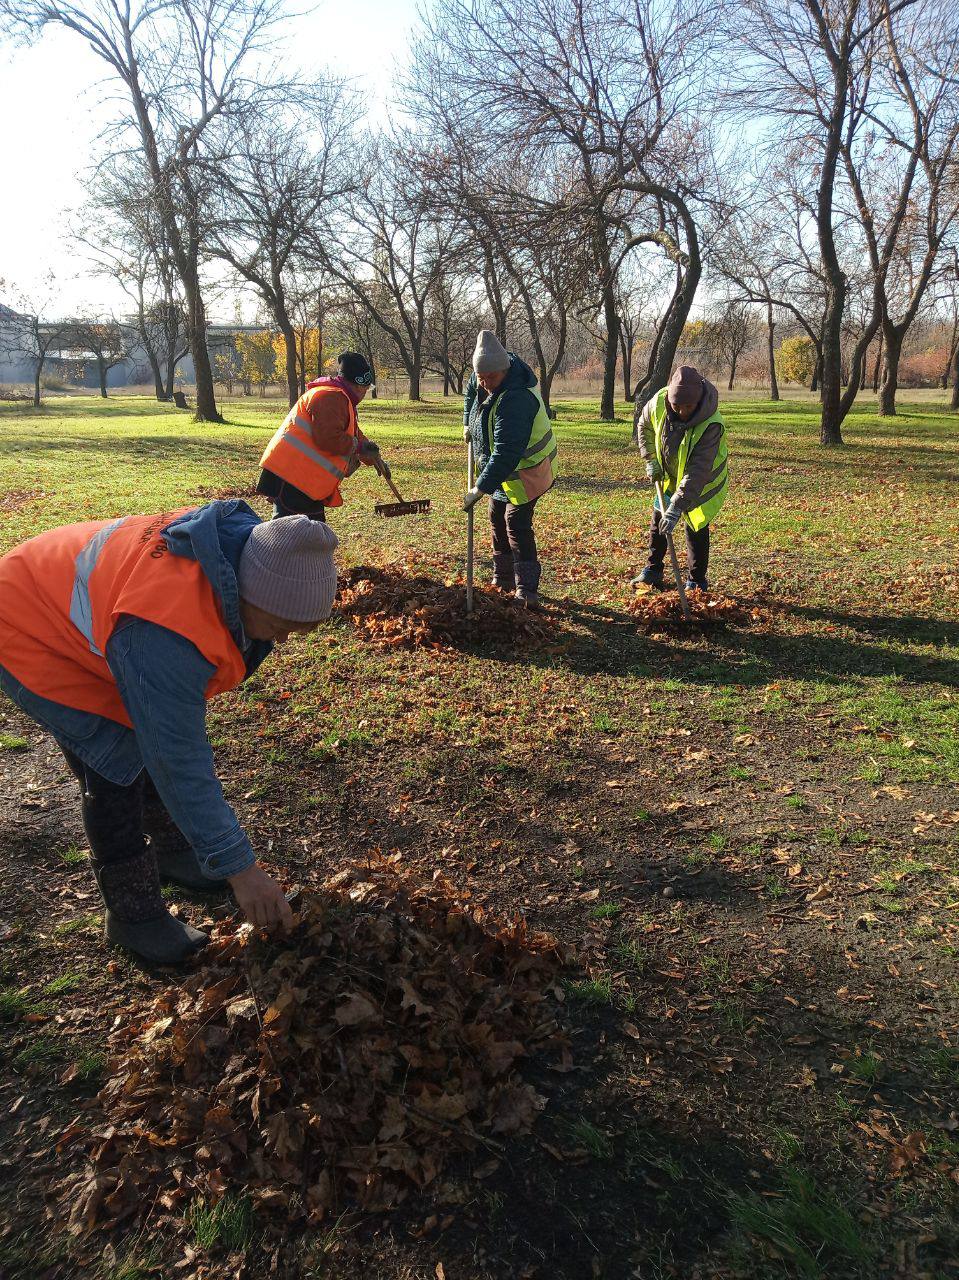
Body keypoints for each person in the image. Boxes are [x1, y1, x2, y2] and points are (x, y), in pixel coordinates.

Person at [0, 502, 340, 965]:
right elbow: (177, 759)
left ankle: (174, 853)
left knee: (146, 733)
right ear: (248, 593)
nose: (281, 641)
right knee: (114, 763)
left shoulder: (244, 553)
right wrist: (241, 869)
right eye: (280, 627)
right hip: (27, 624)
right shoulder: (165, 632)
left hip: (96, 611)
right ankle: (133, 916)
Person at [461, 331, 559, 609]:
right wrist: (467, 421)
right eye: (480, 377)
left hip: (530, 469)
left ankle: (526, 590)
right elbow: (471, 391)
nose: (484, 383)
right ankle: (503, 577)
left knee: (516, 522)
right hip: (502, 472)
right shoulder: (485, 374)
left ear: (504, 371)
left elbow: (506, 453)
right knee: (496, 516)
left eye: (490, 378)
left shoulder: (516, 399)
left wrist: (480, 488)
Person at [256, 351, 390, 520]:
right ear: (359, 386)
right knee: (292, 533)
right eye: (366, 389)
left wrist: (373, 457)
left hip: (302, 479)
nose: (365, 394)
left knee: (308, 532)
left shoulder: (339, 397)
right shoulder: (330, 397)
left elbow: (353, 433)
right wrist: (360, 448)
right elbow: (329, 439)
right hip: (294, 478)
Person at [633, 364, 729, 592]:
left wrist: (677, 506)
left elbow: (698, 470)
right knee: (659, 520)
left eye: (688, 407)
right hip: (670, 475)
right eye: (677, 406)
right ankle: (653, 570)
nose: (682, 412)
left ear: (698, 401)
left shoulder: (711, 423)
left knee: (695, 526)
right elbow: (644, 425)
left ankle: (696, 581)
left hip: (702, 482)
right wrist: (650, 459)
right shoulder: (659, 402)